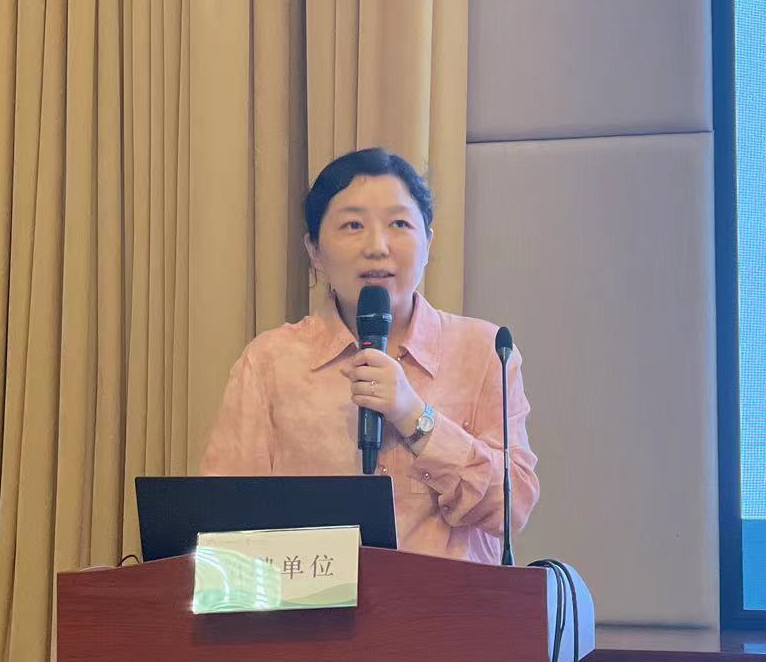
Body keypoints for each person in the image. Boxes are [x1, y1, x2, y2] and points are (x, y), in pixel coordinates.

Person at [200, 147, 537, 564]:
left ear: (428, 243)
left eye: (399, 224)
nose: (377, 247)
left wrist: (415, 417)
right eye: (353, 225)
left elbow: (513, 508)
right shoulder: (270, 362)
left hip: (450, 605)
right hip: (315, 604)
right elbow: (224, 526)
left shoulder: (485, 351)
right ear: (314, 250)